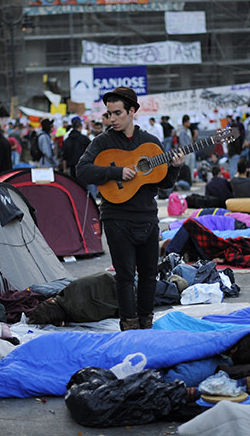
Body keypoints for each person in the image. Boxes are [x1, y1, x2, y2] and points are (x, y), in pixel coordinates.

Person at [76, 87, 184, 331]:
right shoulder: (102, 142)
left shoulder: (151, 144)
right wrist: (116, 172)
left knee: (149, 275)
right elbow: (81, 170)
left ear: (132, 111)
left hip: (147, 217)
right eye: (109, 113)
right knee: (124, 277)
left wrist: (175, 168)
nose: (112, 119)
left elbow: (164, 183)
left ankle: (146, 324)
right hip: (116, 217)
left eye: (117, 113)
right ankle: (128, 326)